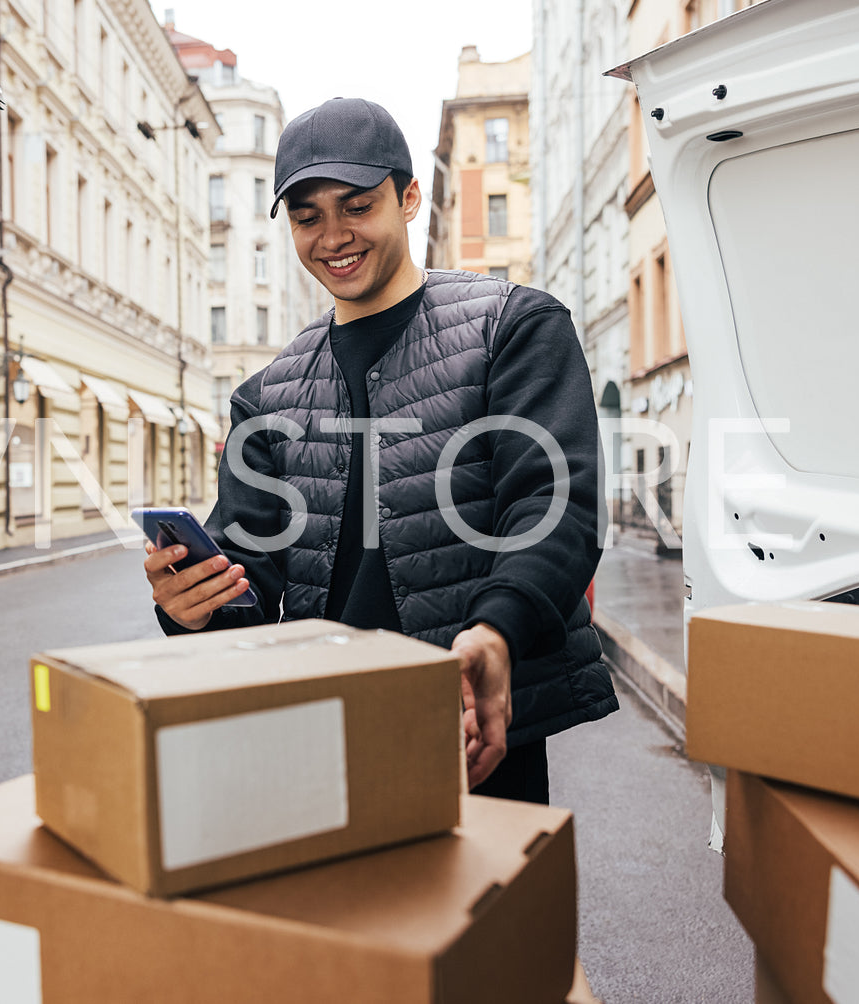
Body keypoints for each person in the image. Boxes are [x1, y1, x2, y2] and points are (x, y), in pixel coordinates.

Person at [143, 97, 617, 802]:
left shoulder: (512, 328)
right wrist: (191, 604)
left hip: (471, 726)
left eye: (356, 205)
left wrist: (494, 633)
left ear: (409, 197)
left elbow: (552, 508)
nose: (333, 236)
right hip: (320, 731)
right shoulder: (265, 395)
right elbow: (251, 579)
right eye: (307, 217)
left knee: (486, 909)